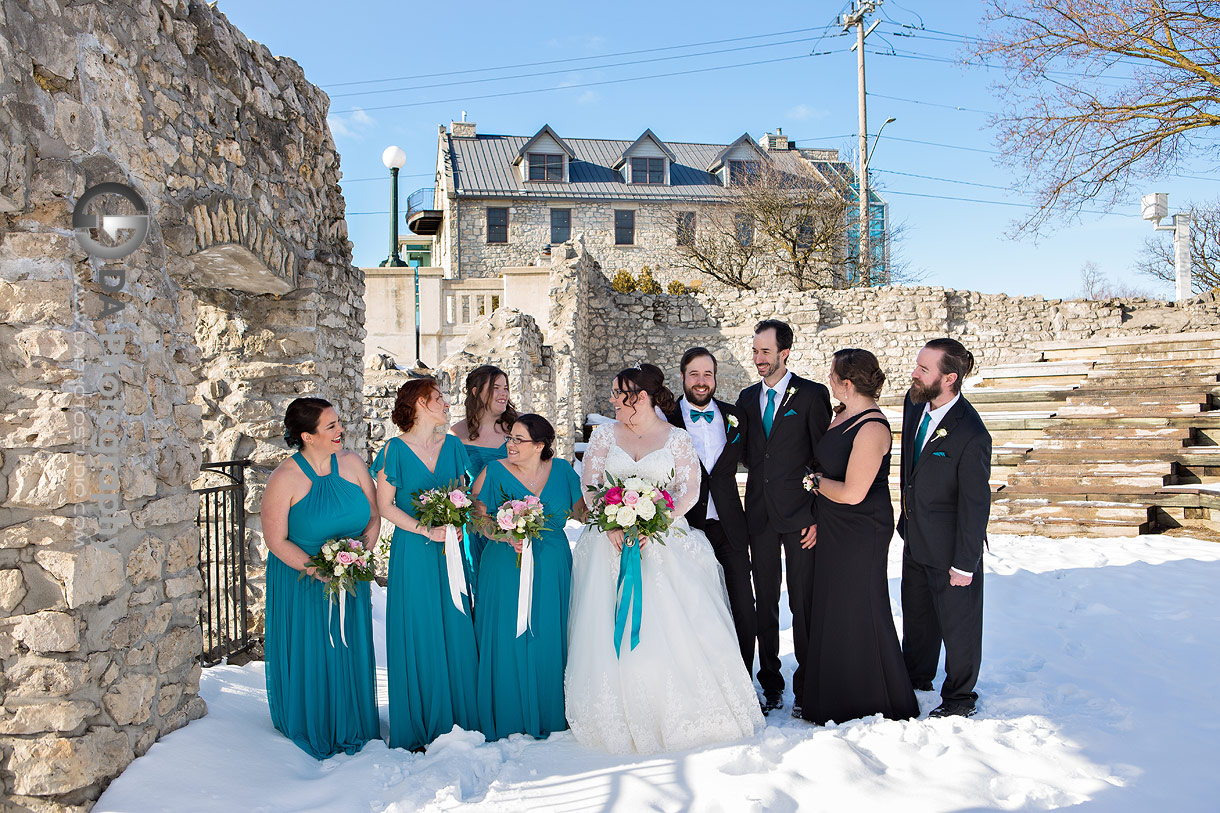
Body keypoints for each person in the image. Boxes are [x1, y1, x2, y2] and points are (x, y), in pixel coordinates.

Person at [566, 364, 764, 754]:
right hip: (610, 542)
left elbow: (688, 489)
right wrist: (612, 525)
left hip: (661, 541)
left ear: (638, 398)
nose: (610, 400)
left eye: (616, 393)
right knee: (607, 626)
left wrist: (655, 520)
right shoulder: (604, 435)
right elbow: (590, 486)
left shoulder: (677, 438)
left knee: (672, 625)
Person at [802, 349, 918, 725]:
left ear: (847, 384)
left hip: (860, 527)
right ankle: (833, 694)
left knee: (860, 605)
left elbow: (853, 491)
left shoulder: (872, 428)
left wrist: (815, 483)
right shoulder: (842, 414)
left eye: (833, 376)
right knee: (834, 605)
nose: (829, 381)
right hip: (833, 522)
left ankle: (877, 696)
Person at [261, 397, 380, 759]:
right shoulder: (285, 477)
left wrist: (359, 556)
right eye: (331, 426)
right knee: (315, 648)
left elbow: (373, 517)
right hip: (304, 582)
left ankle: (353, 718)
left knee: (347, 645)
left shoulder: (353, 463)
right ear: (306, 436)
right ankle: (316, 720)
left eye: (338, 423)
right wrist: (319, 569)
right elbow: (275, 540)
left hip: (350, 577)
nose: (340, 430)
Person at [371, 377, 480, 750]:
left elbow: (466, 494)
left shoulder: (453, 445)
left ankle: (460, 716)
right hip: (415, 551)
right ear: (419, 403)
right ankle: (419, 719)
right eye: (438, 398)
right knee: (419, 625)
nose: (446, 404)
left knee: (455, 620)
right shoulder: (394, 451)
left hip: (451, 547)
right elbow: (385, 506)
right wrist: (423, 529)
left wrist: (458, 518)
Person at [736, 319, 832, 717]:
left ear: (785, 352)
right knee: (766, 604)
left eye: (765, 352)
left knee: (803, 603)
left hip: (800, 517)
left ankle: (808, 684)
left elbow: (823, 458)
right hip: (758, 514)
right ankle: (770, 683)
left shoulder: (812, 395)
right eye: (755, 351)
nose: (757, 359)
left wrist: (816, 514)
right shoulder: (745, 398)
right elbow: (744, 454)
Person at [471, 414, 583, 741]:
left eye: (519, 440)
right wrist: (501, 534)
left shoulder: (562, 471)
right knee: (505, 633)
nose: (510, 445)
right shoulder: (493, 471)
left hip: (552, 565)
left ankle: (551, 711)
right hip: (504, 564)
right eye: (510, 438)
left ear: (540, 445)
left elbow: (583, 511)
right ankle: (505, 713)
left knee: (549, 631)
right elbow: (476, 518)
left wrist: (622, 509)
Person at [898, 338, 991, 718]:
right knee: (917, 615)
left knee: (959, 627)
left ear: (949, 378)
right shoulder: (914, 402)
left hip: (952, 548)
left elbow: (975, 504)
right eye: (917, 365)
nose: (914, 374)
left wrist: (965, 564)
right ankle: (916, 676)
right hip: (915, 538)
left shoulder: (972, 434)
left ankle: (959, 698)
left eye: (923, 369)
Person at [666, 347, 755, 671]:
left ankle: (745, 682)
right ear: (682, 377)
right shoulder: (667, 421)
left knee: (744, 606)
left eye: (708, 374)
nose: (701, 381)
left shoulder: (736, 415)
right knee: (695, 608)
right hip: (685, 528)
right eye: (694, 374)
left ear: (715, 378)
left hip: (730, 526)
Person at [451, 365, 517, 588]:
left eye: (506, 388)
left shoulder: (519, 426)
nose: (503, 393)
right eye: (496, 388)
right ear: (475, 391)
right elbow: (457, 485)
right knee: (482, 588)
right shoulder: (457, 433)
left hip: (519, 518)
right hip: (478, 522)